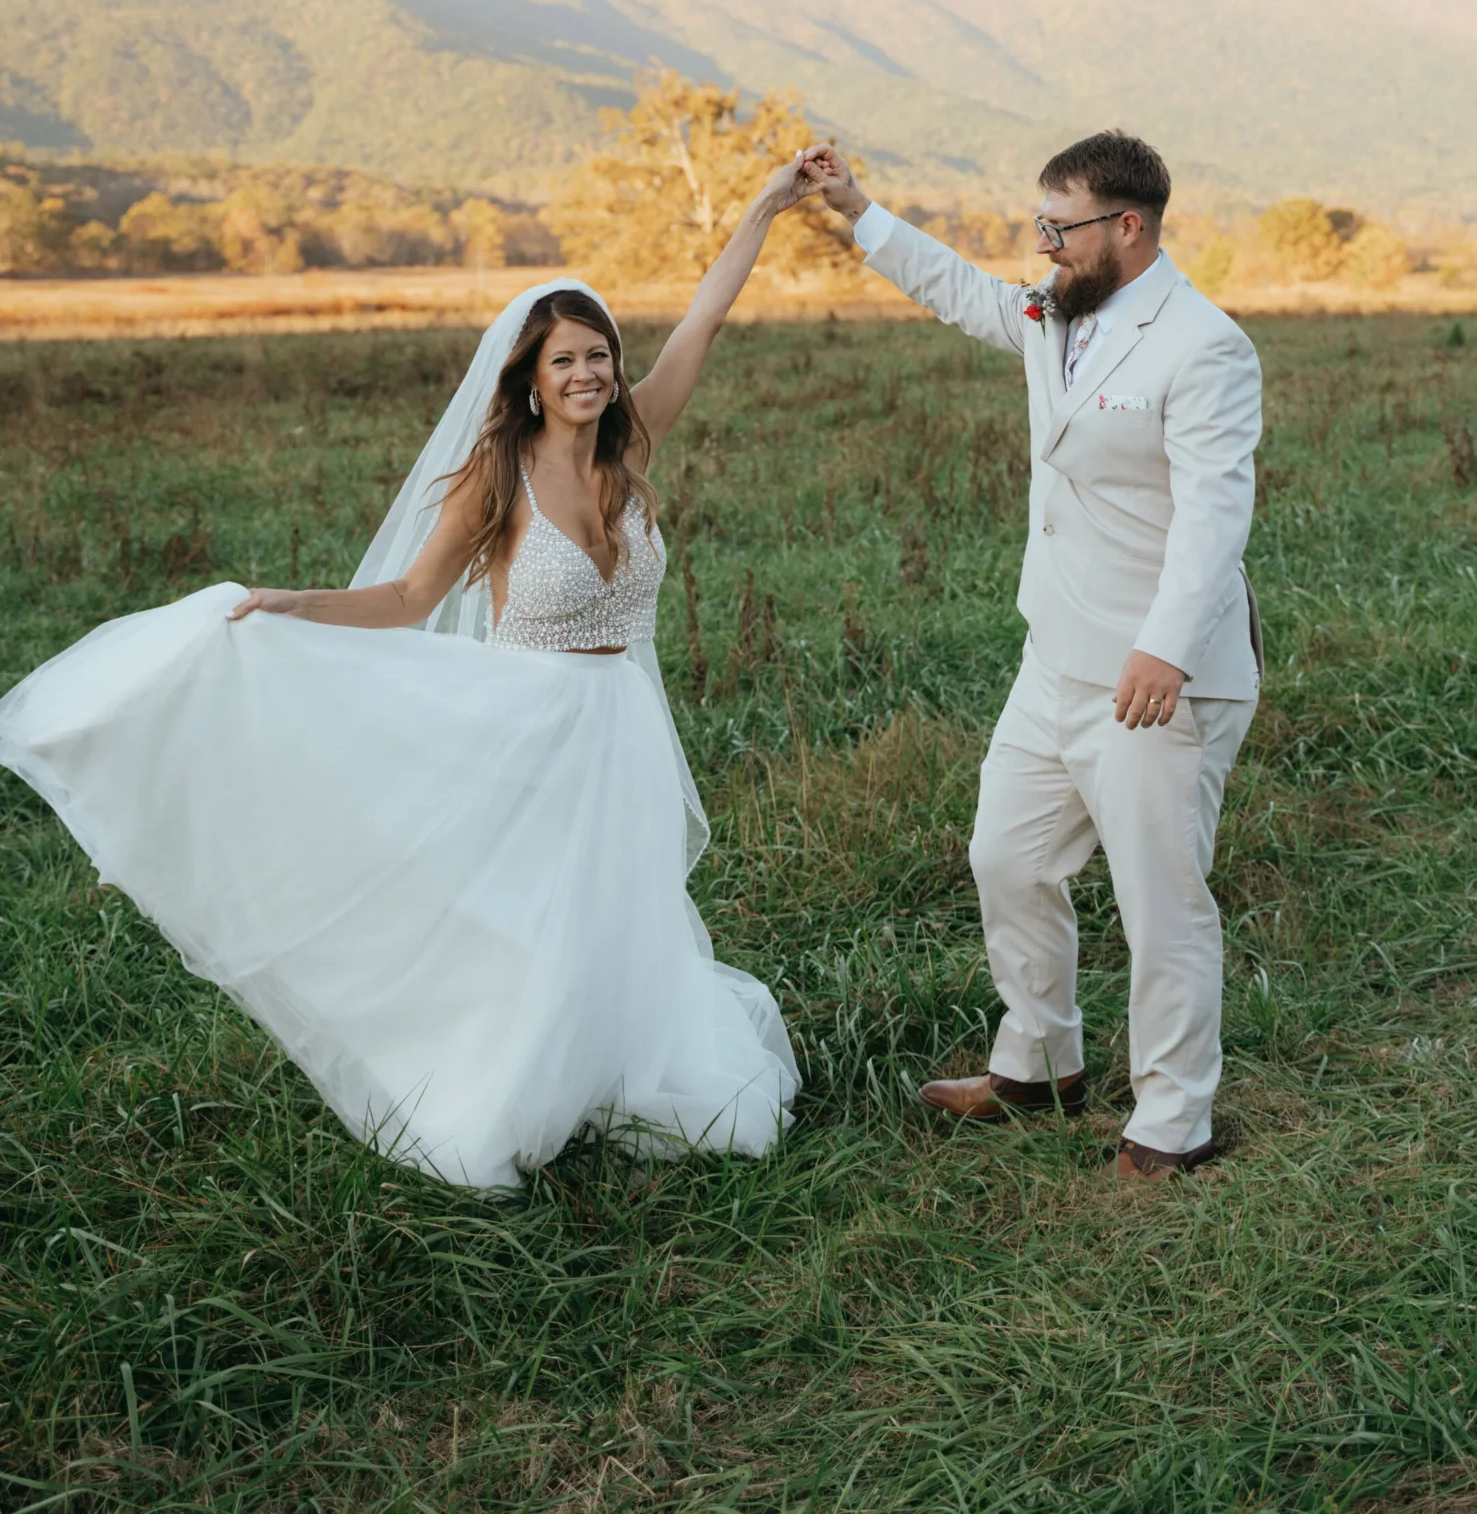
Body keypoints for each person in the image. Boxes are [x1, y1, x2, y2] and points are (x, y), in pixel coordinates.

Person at [0, 163, 812, 1191]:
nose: (587, 374)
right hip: (525, 721)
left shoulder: (630, 446)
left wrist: (766, 206)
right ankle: (509, 1089)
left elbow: (703, 319)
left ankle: (615, 1068)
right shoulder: (497, 477)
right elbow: (408, 598)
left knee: (620, 911)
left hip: (623, 722)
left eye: (599, 354)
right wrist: (295, 605)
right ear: (530, 378)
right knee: (528, 917)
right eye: (565, 359)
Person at [803, 129, 1262, 1188]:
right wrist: (858, 209)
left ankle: (1175, 1120)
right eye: (1039, 225)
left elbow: (1213, 518)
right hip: (1053, 653)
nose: (1043, 246)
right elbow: (963, 291)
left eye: (1061, 228)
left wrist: (1163, 650)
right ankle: (1041, 1062)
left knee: (1161, 900)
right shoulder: (1056, 309)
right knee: (1006, 858)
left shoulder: (1204, 346)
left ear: (1128, 226)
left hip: (1154, 678)